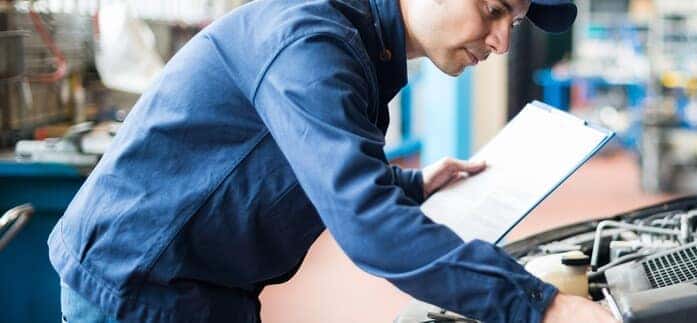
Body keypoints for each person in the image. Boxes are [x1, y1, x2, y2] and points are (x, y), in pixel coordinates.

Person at [49, 0, 617, 322]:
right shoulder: (310, 41)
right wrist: (543, 309)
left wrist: (411, 184)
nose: (501, 43)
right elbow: (368, 225)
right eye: (492, 9)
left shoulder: (364, 48)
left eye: (512, 23)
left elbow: (292, 160)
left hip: (203, 285)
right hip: (140, 285)